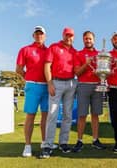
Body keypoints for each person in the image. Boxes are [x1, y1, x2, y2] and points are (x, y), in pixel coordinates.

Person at [40, 27, 77, 158]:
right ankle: (48, 145)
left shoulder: (74, 51)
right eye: (67, 35)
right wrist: (50, 83)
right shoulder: (54, 47)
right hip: (56, 83)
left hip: (71, 83)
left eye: (71, 36)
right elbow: (47, 66)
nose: (69, 38)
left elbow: (77, 70)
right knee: (52, 114)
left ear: (73, 37)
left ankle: (63, 143)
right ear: (63, 35)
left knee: (67, 115)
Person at [16, 26, 49, 157]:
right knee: (31, 115)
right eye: (37, 34)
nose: (39, 36)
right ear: (33, 35)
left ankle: (44, 142)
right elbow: (18, 69)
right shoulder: (25, 50)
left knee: (46, 116)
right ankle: (28, 145)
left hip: (47, 86)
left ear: (45, 36)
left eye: (41, 34)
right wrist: (29, 78)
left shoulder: (49, 51)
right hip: (33, 86)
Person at [72, 31, 106, 152]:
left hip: (97, 86)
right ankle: (79, 141)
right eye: (86, 39)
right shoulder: (78, 54)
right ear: (83, 40)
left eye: (90, 39)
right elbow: (77, 72)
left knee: (95, 115)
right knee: (82, 115)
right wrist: (86, 64)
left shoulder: (100, 54)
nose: (88, 41)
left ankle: (95, 140)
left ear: (94, 40)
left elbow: (103, 71)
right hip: (83, 86)